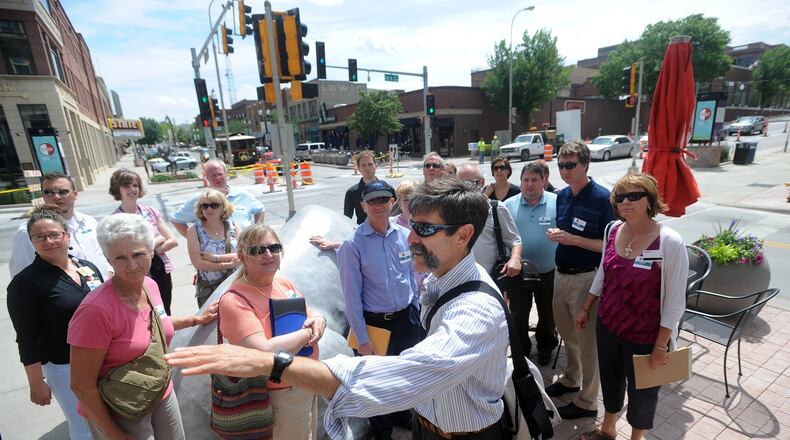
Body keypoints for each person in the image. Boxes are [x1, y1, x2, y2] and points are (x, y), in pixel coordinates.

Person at [165, 177, 510, 439]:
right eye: (412, 225)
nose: (409, 237)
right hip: (430, 421)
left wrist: (269, 361)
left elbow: (402, 377)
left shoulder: (474, 311)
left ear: (463, 236)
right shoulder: (440, 280)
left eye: (423, 229)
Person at [68, 213, 217, 440]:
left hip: (159, 389)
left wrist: (196, 319)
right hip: (121, 405)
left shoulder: (149, 284)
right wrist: (113, 434)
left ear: (151, 251)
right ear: (107, 259)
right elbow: (81, 386)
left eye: (138, 254)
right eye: (120, 258)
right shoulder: (95, 311)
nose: (132, 265)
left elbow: (156, 323)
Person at [576, 173, 687, 440]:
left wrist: (661, 345)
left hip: (645, 335)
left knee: (643, 392)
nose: (625, 202)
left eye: (634, 196)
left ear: (650, 200)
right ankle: (608, 429)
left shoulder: (670, 241)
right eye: (620, 197)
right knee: (611, 381)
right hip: (609, 324)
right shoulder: (613, 229)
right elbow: (604, 272)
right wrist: (587, 307)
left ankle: (637, 437)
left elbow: (675, 300)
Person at [218, 224, 327, 439]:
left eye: (274, 247)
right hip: (278, 394)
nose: (268, 254)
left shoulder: (282, 282)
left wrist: (319, 319)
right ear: (242, 256)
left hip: (304, 381)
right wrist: (308, 334)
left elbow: (309, 314)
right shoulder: (234, 300)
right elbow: (265, 352)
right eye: (258, 250)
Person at [7, 206, 104, 440]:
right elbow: (26, 338)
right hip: (65, 366)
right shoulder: (25, 284)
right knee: (85, 428)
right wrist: (36, 382)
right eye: (39, 237)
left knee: (111, 419)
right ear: (31, 241)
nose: (48, 241)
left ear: (67, 235)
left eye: (54, 234)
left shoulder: (87, 267)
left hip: (105, 357)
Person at [337, 180, 420, 439]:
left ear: (392, 203)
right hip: (375, 324)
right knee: (374, 381)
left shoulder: (403, 234)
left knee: (403, 372)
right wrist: (362, 338)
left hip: (406, 319)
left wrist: (415, 309)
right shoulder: (352, 245)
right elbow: (351, 297)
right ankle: (382, 430)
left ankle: (402, 415)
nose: (378, 205)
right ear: (362, 206)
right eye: (372, 201)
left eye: (383, 200)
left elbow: (410, 274)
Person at [545, 140, 614, 420]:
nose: (565, 171)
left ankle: (587, 401)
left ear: (585, 165)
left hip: (587, 279)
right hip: (561, 276)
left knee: (587, 342)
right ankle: (572, 379)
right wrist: (560, 237)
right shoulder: (562, 196)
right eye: (561, 165)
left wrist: (572, 239)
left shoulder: (602, 198)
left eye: (570, 165)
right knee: (568, 333)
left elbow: (610, 244)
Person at [503, 162, 559, 365]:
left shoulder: (557, 201)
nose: (529, 185)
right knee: (518, 312)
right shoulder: (509, 205)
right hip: (519, 271)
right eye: (525, 180)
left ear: (544, 180)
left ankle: (546, 347)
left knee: (548, 312)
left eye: (534, 180)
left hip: (548, 270)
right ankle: (522, 349)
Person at [10, 172, 111, 279]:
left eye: (63, 192)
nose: (56, 197)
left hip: (103, 290)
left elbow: (104, 253)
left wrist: (109, 271)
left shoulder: (89, 222)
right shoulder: (28, 231)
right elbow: (20, 274)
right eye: (49, 192)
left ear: (75, 194)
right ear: (43, 196)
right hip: (66, 293)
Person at [109, 168, 179, 314]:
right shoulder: (115, 220)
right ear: (118, 189)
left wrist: (146, 251)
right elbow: (121, 252)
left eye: (135, 185)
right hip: (136, 273)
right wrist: (155, 243)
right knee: (144, 312)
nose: (132, 189)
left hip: (161, 269)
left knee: (165, 311)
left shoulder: (150, 212)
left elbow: (172, 240)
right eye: (126, 186)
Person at [457, 162, 523, 280]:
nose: (466, 189)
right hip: (463, 279)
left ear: (482, 182)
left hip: (491, 279)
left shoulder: (496, 208)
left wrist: (515, 259)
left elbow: (514, 240)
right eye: (462, 184)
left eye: (471, 183)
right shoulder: (451, 212)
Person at [170, 159, 264, 237]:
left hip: (245, 250)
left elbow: (260, 209)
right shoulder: (200, 200)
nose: (217, 178)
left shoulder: (242, 195)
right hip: (214, 255)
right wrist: (195, 240)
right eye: (213, 175)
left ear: (226, 174)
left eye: (220, 174)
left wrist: (257, 232)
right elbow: (176, 219)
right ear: (207, 177)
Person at [187, 189, 242, 307]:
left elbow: (243, 255)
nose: (209, 209)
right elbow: (198, 263)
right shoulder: (194, 231)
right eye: (205, 206)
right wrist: (228, 265)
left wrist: (214, 257)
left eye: (214, 205)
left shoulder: (234, 227)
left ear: (223, 207)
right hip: (210, 290)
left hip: (237, 286)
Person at [344, 150, 379, 225]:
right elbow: (346, 220)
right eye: (363, 165)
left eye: (370, 164)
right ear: (358, 168)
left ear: (376, 166)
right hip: (363, 235)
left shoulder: (387, 189)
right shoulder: (352, 192)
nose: (367, 168)